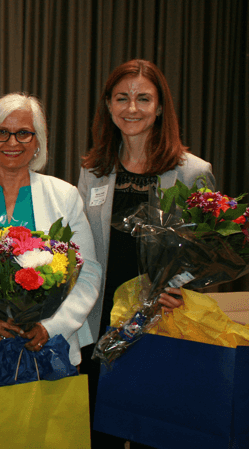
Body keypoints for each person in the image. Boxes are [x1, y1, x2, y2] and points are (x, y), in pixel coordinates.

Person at [77, 59, 214, 447]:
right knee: (97, 429)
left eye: (143, 98)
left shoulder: (191, 172)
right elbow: (83, 245)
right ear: (107, 105)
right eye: (121, 98)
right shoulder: (93, 170)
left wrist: (182, 289)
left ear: (159, 107)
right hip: (101, 321)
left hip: (161, 321)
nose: (131, 108)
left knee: (152, 432)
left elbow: (206, 250)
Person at [0, 93, 102, 369]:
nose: (12, 142)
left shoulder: (64, 196)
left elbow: (87, 273)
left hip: (44, 349)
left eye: (24, 133)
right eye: (1, 132)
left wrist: (51, 327)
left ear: (38, 141)